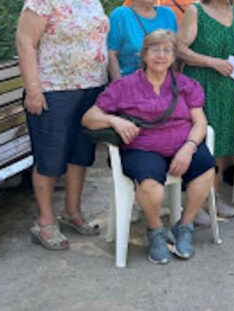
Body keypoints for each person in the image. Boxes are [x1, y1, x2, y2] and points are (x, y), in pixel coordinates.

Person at [82, 30, 216, 264]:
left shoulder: (185, 85)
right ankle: (156, 231)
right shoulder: (125, 86)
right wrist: (114, 120)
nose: (161, 56)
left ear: (174, 57)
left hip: (182, 144)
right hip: (142, 148)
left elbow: (200, 122)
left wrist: (189, 147)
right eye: (155, 49)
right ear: (144, 54)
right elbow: (89, 118)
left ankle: (184, 226)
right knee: (151, 185)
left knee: (206, 167)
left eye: (167, 50)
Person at [16, 0, 108, 250]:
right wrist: (33, 89)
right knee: (49, 158)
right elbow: (25, 43)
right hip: (53, 90)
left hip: (91, 87)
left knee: (80, 155)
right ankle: (45, 222)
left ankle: (72, 212)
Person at [177, 0, 234, 220]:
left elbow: (232, 48)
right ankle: (195, 200)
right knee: (203, 142)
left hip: (228, 86)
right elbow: (181, 49)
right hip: (202, 84)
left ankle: (213, 196)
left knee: (222, 144)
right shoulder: (196, 11)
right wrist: (212, 62)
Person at [108, 0, 177, 80]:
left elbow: (174, 54)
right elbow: (111, 55)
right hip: (130, 85)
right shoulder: (121, 15)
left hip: (163, 86)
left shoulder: (168, 15)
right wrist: (119, 88)